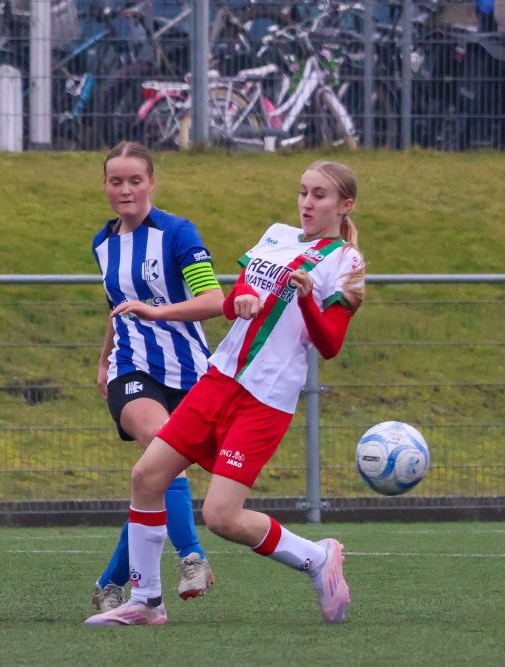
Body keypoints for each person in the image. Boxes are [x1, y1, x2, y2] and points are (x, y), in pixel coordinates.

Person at [85, 160, 365, 627]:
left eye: (319, 195)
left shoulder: (346, 262)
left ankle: (317, 558)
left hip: (265, 400)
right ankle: (146, 600)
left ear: (345, 204)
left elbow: (330, 344)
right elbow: (234, 300)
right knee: (146, 476)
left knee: (221, 517)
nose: (307, 203)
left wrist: (305, 301)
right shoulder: (276, 235)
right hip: (219, 379)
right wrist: (240, 300)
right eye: (303, 192)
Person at [90, 141, 224, 612]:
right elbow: (117, 307)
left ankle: (109, 583)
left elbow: (215, 301)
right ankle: (192, 558)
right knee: (165, 450)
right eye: (116, 181)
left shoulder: (177, 233)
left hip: (190, 374)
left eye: (135, 180)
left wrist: (156, 311)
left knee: (155, 477)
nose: (125, 190)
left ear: (151, 183)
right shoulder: (103, 243)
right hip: (133, 369)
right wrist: (104, 359)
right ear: (105, 186)